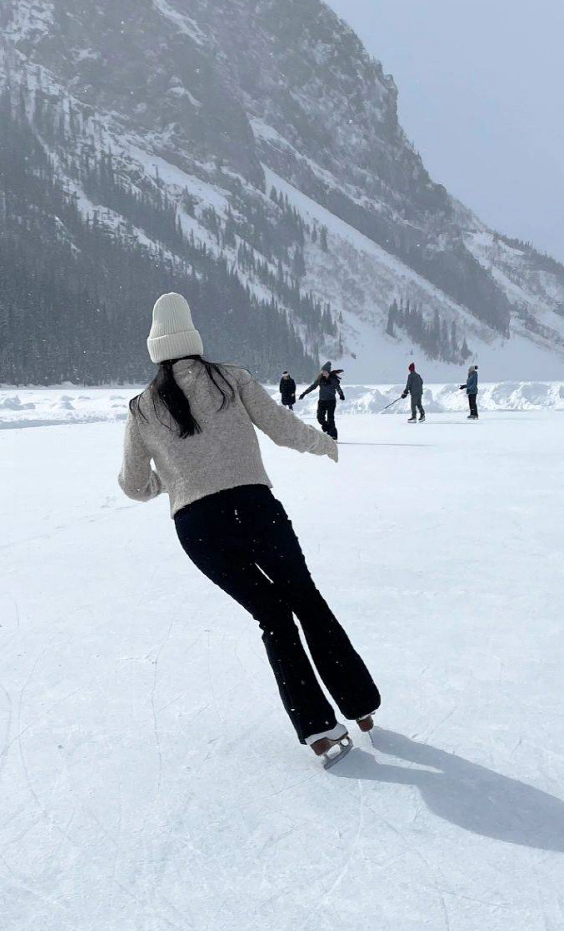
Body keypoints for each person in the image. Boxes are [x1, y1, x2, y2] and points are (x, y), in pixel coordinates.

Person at [118, 293, 380, 766]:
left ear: (155, 349)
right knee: (306, 601)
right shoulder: (230, 378)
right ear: (194, 340)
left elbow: (135, 485)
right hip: (255, 509)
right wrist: (322, 445)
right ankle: (360, 707)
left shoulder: (141, 408)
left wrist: (175, 479)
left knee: (273, 617)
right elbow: (281, 427)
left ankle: (320, 732)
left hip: (198, 528)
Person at [299, 360, 345, 439]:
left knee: (330, 418)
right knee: (320, 418)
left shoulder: (333, 379)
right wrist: (304, 393)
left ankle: (333, 435)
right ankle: (327, 429)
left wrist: (341, 394)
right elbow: (313, 386)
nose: (322, 373)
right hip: (322, 401)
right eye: (322, 371)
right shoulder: (320, 378)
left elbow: (338, 387)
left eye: (324, 371)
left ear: (328, 372)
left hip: (331, 401)